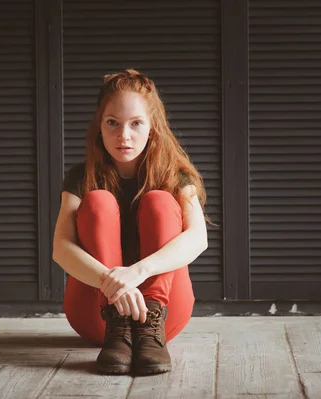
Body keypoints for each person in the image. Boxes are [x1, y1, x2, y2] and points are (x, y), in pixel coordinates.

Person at [52, 69, 209, 375]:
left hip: (162, 319)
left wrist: (135, 273)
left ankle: (149, 322)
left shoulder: (175, 175)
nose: (124, 136)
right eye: (113, 123)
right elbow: (60, 248)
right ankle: (118, 328)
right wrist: (114, 288)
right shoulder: (81, 176)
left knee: (160, 201)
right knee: (98, 201)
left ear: (153, 127)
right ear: (100, 125)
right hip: (96, 316)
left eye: (136, 123)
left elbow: (198, 239)